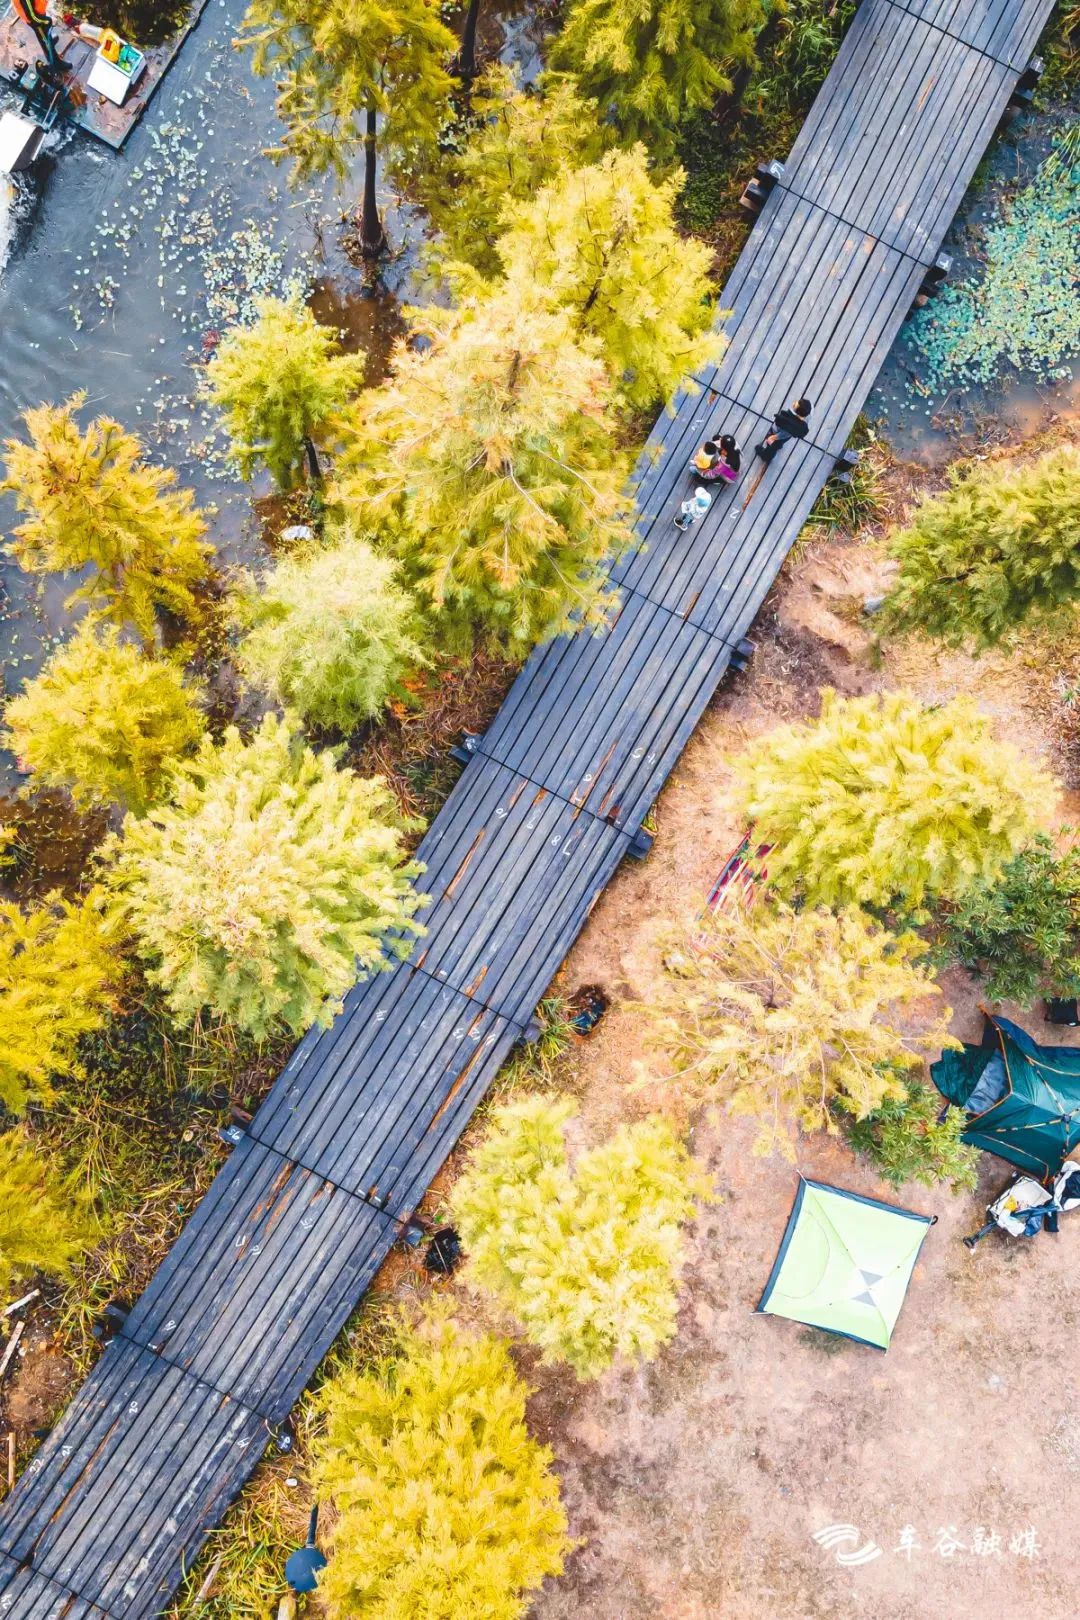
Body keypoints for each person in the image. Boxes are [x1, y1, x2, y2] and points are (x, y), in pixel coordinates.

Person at [755, 397, 812, 463]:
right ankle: (778, 445)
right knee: (779, 443)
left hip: (777, 435)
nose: (795, 402)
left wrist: (773, 438)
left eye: (796, 403)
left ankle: (766, 456)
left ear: (797, 410)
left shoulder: (790, 426)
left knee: (772, 447)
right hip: (782, 434)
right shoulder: (798, 418)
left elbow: (784, 434)